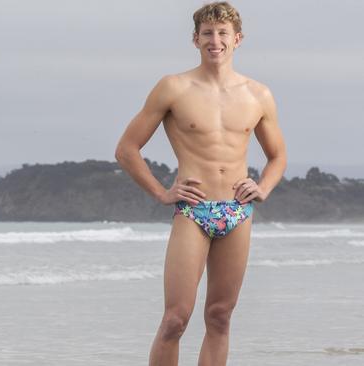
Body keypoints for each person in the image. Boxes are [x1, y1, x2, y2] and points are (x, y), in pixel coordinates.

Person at [114, 2, 287, 365]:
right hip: (193, 211)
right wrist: (162, 192)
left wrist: (264, 188)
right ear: (195, 39)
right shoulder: (173, 88)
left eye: (223, 33)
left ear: (237, 39)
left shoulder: (258, 95)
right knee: (175, 319)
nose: (215, 40)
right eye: (207, 33)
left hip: (238, 211)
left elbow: (278, 156)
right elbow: (127, 149)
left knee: (220, 317)